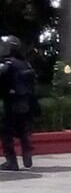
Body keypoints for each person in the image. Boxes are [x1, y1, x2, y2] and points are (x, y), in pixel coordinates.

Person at [0, 35, 37, 170]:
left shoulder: (9, 64)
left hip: (12, 103)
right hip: (26, 103)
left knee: (6, 132)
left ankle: (12, 161)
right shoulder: (25, 63)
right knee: (23, 131)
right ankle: (27, 155)